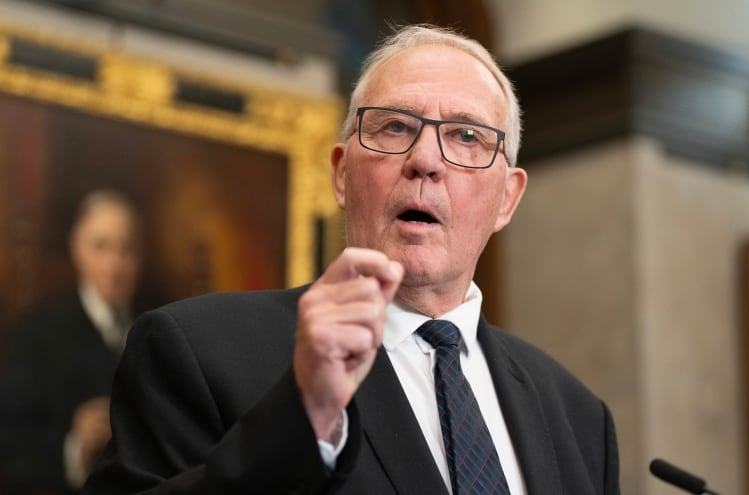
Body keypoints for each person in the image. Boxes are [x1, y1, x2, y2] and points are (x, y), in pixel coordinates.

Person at [84, 24, 620, 494]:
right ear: (341, 175)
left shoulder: (577, 418)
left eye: (466, 136)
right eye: (394, 127)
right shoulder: (197, 352)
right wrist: (303, 420)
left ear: (507, 198)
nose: (426, 160)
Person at [0, 189, 144, 494]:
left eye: (126, 250)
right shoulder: (38, 331)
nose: (114, 264)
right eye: (100, 246)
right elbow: (9, 440)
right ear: (76, 248)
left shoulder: (156, 324)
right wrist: (74, 445)